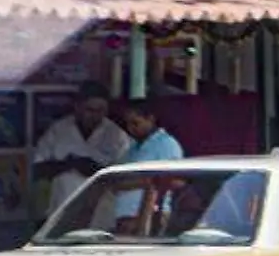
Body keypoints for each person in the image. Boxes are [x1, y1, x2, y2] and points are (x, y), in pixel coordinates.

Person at [33, 81, 131, 219]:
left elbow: (125, 178)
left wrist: (96, 170)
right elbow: (38, 169)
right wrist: (69, 164)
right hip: (62, 212)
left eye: (101, 110)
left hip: (102, 215)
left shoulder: (117, 136)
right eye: (90, 110)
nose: (95, 115)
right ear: (77, 107)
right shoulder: (58, 130)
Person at [113, 99, 185, 233]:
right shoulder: (132, 148)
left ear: (150, 119)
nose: (130, 128)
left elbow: (176, 181)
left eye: (135, 123)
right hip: (124, 218)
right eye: (127, 124)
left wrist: (131, 183)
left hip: (151, 218)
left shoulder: (167, 144)